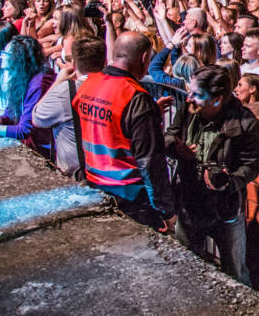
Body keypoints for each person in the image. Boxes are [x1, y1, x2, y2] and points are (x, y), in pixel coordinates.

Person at [165, 65, 259, 284]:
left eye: (197, 94)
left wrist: (227, 182)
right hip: (189, 202)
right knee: (185, 268)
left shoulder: (244, 122)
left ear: (217, 99)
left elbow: (251, 165)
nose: (189, 98)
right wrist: (175, 147)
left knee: (236, 275)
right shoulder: (188, 109)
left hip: (225, 209)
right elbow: (170, 134)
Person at [72, 31, 176, 232]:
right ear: (144, 58)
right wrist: (165, 210)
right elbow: (149, 161)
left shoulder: (88, 85)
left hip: (94, 184)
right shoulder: (135, 97)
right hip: (130, 196)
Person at [32, 36, 107, 176]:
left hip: (76, 173)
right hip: (108, 170)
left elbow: (37, 118)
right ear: (105, 61)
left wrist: (57, 82)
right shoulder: (114, 87)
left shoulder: (64, 91)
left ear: (74, 63)